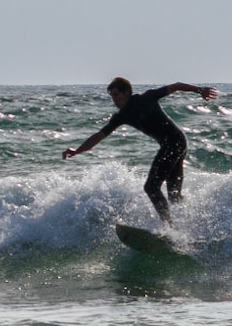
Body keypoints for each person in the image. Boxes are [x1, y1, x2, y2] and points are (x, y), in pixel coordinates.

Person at [61, 77, 217, 223]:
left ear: (126, 93)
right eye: (112, 96)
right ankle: (197, 219)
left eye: (116, 95)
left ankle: (169, 227)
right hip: (177, 144)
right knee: (173, 196)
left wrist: (199, 90)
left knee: (151, 187)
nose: (114, 99)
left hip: (175, 143)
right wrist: (77, 151)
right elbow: (99, 136)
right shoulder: (121, 116)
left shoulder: (146, 98)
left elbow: (176, 86)